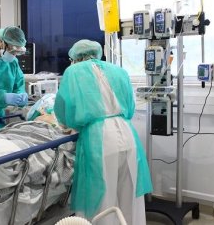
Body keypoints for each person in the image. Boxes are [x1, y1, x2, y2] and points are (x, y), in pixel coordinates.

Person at [54, 39, 153, 225]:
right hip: (127, 134)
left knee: (101, 196)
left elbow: (63, 109)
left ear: (76, 57)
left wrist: (66, 125)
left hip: (99, 138)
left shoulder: (73, 72)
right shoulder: (119, 71)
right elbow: (130, 108)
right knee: (129, 195)